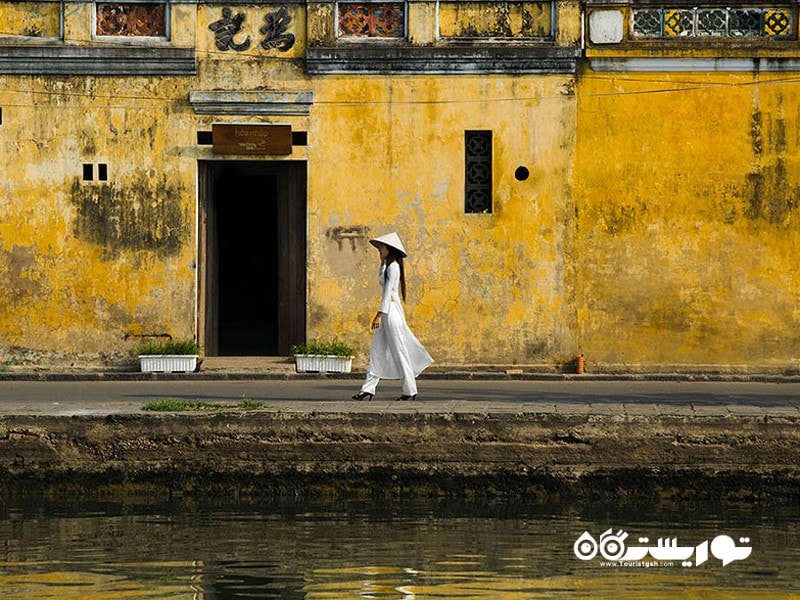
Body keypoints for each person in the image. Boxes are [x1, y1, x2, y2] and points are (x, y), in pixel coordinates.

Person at [352, 232, 433, 401]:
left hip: (391, 314)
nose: (379, 251)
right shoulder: (388, 266)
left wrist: (379, 315)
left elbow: (388, 292)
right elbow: (383, 283)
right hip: (387, 314)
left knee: (399, 351)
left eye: (381, 248)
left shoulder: (394, 267)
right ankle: (368, 388)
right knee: (377, 350)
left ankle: (410, 389)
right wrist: (382, 264)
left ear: (389, 249)